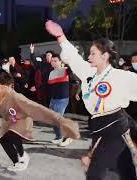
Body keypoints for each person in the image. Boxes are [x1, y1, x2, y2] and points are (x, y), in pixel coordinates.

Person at [46, 20, 137, 180]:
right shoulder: (88, 72)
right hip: (97, 126)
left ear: (105, 55)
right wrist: (61, 37)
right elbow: (73, 57)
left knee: (95, 172)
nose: (89, 56)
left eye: (93, 53)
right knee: (125, 169)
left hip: (116, 127)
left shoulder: (121, 76)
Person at [48, 54, 73, 146]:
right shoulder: (51, 73)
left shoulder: (65, 70)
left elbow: (72, 68)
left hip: (62, 99)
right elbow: (50, 87)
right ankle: (59, 137)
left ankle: (68, 136)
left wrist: (69, 58)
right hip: (53, 99)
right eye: (52, 61)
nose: (53, 62)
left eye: (55, 60)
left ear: (60, 62)